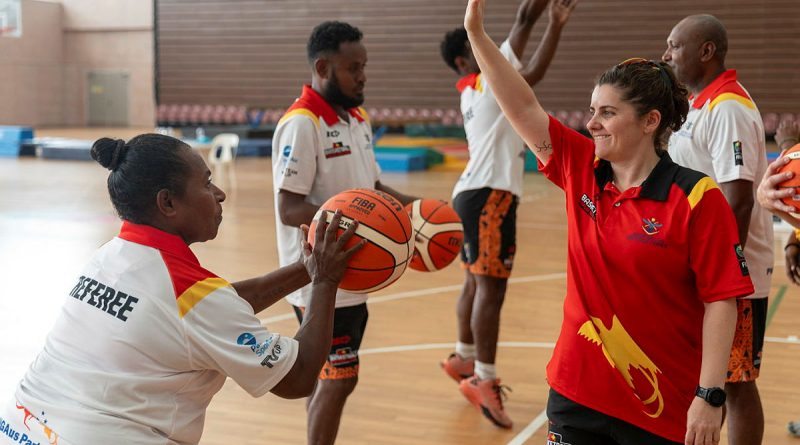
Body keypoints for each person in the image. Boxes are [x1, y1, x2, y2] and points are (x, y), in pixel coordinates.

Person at [462, 0, 754, 443]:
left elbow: (721, 300)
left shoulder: (697, 197)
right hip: (576, 393)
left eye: (607, 113)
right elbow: (520, 105)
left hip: (662, 403)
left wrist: (710, 395)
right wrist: (478, 37)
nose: (592, 123)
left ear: (650, 122)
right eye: (592, 110)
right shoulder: (580, 168)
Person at [1, 134, 362, 445]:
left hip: (21, 426)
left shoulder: (109, 257)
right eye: (206, 184)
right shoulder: (190, 293)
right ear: (167, 202)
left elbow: (210, 309)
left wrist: (306, 269)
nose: (219, 194)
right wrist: (326, 281)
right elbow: (297, 378)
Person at [271, 21, 417, 445]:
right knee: (340, 379)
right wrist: (363, 229)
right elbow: (289, 208)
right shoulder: (302, 123)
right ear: (323, 67)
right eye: (353, 68)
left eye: (364, 66)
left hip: (353, 275)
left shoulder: (357, 117)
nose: (363, 75)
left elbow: (372, 190)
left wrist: (417, 209)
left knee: (325, 379)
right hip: (321, 277)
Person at [437, 0, 576, 429]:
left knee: (474, 285)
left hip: (471, 195)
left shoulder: (476, 92)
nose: (492, 52)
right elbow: (522, 21)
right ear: (467, 59)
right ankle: (485, 378)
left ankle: (464, 356)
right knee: (491, 292)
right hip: (490, 197)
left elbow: (529, 76)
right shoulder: (484, 85)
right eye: (482, 49)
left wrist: (553, 23)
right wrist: (550, 18)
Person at [662, 14, 773, 445]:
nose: (666, 54)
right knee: (710, 377)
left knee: (736, 381)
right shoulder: (698, 105)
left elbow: (738, 199)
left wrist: (723, 270)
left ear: (706, 52)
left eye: (674, 45)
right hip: (700, 262)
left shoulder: (729, 107)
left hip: (732, 273)